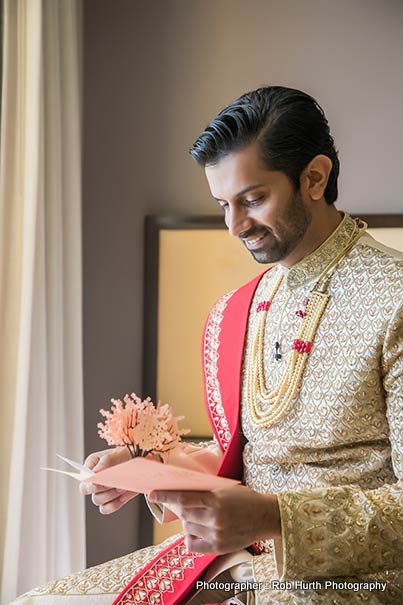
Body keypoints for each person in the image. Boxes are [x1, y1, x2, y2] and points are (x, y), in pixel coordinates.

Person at [12, 86, 403, 605]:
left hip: (350, 581)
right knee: (42, 601)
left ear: (314, 177)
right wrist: (154, 472)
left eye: (253, 199)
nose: (234, 225)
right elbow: (248, 459)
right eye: (223, 203)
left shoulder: (393, 298)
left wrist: (271, 516)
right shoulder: (235, 310)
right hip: (235, 560)